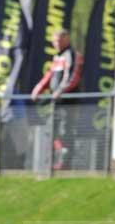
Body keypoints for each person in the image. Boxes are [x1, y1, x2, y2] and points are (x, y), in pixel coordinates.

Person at [31, 29, 84, 169]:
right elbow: (50, 75)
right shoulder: (57, 57)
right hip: (57, 102)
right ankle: (57, 160)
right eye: (54, 41)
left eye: (59, 40)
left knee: (65, 130)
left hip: (68, 101)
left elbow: (73, 76)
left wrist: (61, 91)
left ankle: (66, 162)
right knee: (54, 129)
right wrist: (39, 88)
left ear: (67, 39)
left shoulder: (71, 54)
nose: (56, 44)